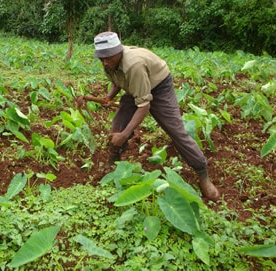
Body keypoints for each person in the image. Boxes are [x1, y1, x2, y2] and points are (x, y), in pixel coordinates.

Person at [85, 31, 220, 201]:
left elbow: (144, 106)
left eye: (108, 57)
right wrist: (109, 97)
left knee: (176, 131)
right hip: (136, 86)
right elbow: (117, 79)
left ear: (119, 51)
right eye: (101, 58)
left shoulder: (133, 65)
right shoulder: (109, 62)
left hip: (159, 85)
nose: (105, 61)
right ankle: (113, 163)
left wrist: (126, 135)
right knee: (117, 127)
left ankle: (202, 174)